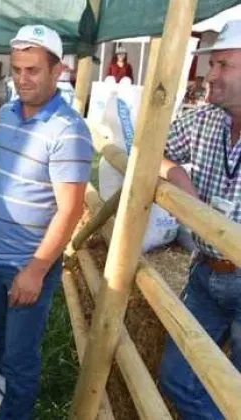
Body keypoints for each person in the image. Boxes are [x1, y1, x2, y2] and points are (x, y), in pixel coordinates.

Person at [0, 25, 92, 419]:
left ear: (58, 71)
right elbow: (1, 173)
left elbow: (71, 209)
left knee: (21, 354)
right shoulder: (8, 113)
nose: (22, 79)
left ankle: (15, 411)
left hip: (27, 263)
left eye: (33, 70)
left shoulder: (69, 130)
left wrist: (37, 270)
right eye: (17, 69)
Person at [158, 20, 241, 420]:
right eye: (213, 65)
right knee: (177, 378)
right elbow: (149, 148)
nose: (212, 75)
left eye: (224, 65)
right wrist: (179, 180)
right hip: (206, 273)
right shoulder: (206, 119)